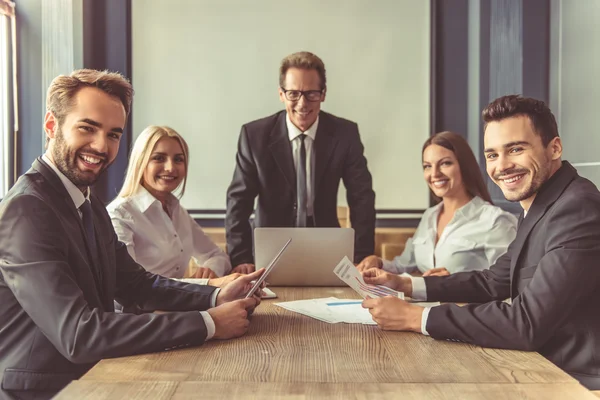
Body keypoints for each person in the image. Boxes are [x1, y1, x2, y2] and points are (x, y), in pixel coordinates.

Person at [0, 69, 263, 400]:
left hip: (98, 375)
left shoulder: (87, 203)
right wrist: (208, 322)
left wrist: (215, 297)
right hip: (47, 391)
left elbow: (137, 284)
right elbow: (79, 334)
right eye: (87, 128)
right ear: (52, 125)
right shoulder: (27, 209)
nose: (101, 146)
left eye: (113, 134)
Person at [361, 95, 600, 389]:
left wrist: (416, 317)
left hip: (576, 382)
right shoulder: (540, 206)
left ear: (555, 148)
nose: (502, 166)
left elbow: (526, 322)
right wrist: (406, 285)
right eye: (492, 155)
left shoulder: (577, 208)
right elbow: (492, 281)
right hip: (537, 366)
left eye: (515, 149)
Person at [225, 51, 376, 273]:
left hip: (328, 252)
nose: (302, 103)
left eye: (311, 93)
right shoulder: (254, 135)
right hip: (268, 256)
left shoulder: (345, 134)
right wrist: (241, 258)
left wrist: (362, 255)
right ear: (281, 94)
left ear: (323, 94)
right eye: (293, 93)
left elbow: (361, 197)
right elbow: (238, 201)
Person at [357, 131, 517, 276]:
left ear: (464, 166)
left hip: (468, 308)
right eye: (427, 166)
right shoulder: (429, 216)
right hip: (426, 308)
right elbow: (402, 266)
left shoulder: (496, 222)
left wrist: (456, 284)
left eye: (445, 163)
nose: (434, 174)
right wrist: (378, 262)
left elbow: (507, 283)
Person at [108, 125, 235, 287]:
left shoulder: (177, 211)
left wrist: (210, 269)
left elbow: (217, 256)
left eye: (178, 159)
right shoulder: (119, 214)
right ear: (141, 162)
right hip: (142, 312)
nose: (170, 168)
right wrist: (206, 284)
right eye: (158, 158)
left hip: (178, 307)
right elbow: (131, 287)